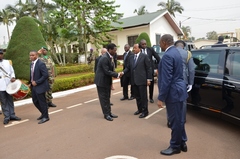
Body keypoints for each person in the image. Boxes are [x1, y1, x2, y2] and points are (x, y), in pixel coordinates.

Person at [157, 34, 188, 156]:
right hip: (179, 90)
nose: (159, 45)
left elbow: (166, 79)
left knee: (175, 121)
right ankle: (182, 142)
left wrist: (161, 98)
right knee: (179, 120)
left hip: (173, 92)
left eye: (160, 43)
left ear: (164, 42)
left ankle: (175, 146)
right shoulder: (176, 52)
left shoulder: (168, 56)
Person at [165, 40, 195, 127]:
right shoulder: (187, 53)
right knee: (182, 101)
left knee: (170, 101)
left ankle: (170, 121)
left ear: (175, 46)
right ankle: (182, 120)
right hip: (183, 80)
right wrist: (190, 83)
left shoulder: (170, 53)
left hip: (170, 81)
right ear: (183, 46)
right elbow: (191, 70)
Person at [123, 43, 151, 118]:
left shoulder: (144, 57)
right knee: (137, 97)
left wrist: (148, 79)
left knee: (143, 97)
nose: (134, 49)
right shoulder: (131, 57)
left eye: (135, 48)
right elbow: (128, 67)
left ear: (140, 49)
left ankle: (145, 111)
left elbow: (148, 68)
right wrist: (123, 72)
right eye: (133, 48)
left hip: (142, 80)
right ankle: (140, 109)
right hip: (134, 80)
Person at [94, 43, 121, 121]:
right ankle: (106, 114)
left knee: (108, 97)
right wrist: (117, 75)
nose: (115, 52)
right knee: (104, 98)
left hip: (106, 81)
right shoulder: (105, 58)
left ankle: (109, 112)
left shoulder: (109, 57)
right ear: (110, 50)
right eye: (114, 50)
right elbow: (107, 71)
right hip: (101, 82)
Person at [0, 50, 21, 125]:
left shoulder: (7, 62)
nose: (0, 55)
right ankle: (7, 117)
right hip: (0, 85)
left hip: (9, 84)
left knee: (10, 100)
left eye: (1, 54)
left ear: (3, 55)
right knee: (4, 102)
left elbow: (12, 71)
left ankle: (12, 115)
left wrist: (13, 77)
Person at [29, 50, 50, 124]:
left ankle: (46, 117)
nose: (31, 56)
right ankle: (43, 113)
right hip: (34, 86)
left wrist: (37, 82)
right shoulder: (31, 64)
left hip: (40, 86)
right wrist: (30, 83)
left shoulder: (41, 64)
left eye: (33, 55)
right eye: (30, 55)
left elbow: (45, 75)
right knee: (35, 101)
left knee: (42, 102)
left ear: (36, 55)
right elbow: (32, 75)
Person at [139, 39, 160, 103]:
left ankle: (151, 97)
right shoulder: (138, 50)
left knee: (151, 84)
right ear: (140, 44)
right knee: (143, 85)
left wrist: (156, 66)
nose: (144, 45)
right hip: (142, 71)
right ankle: (144, 98)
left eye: (145, 44)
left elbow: (157, 57)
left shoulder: (150, 49)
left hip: (150, 70)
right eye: (143, 44)